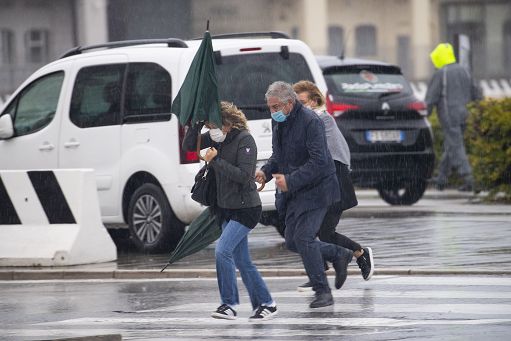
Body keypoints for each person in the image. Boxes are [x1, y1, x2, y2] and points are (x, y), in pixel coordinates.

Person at [255, 81, 353, 308]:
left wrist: (290, 180)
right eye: (270, 107)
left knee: (304, 238)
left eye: (276, 107)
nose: (272, 112)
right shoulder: (279, 122)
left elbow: (319, 162)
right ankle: (339, 254)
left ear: (289, 103)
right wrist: (266, 172)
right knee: (292, 241)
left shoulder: (311, 122)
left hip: (318, 190)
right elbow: (278, 156)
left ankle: (323, 292)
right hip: (296, 192)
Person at [183, 101, 277, 321]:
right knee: (243, 261)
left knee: (222, 251)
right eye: (209, 126)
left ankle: (229, 304)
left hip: (246, 209)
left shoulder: (245, 140)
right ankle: (266, 303)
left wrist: (215, 161)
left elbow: (244, 177)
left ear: (228, 123)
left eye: (214, 125)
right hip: (226, 209)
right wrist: (195, 126)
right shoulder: (218, 138)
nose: (211, 130)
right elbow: (189, 146)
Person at [292, 80, 374, 292]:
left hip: (335, 178)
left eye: (301, 102)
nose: (298, 106)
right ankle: (321, 270)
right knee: (314, 231)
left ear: (314, 100)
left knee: (321, 232)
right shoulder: (308, 120)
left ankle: (359, 253)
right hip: (323, 179)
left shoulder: (321, 118)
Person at [425, 43, 481, 192]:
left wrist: (426, 113)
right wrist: (478, 111)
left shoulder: (441, 73)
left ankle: (469, 178)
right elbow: (477, 92)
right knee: (452, 145)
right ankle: (441, 179)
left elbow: (431, 98)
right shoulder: (465, 71)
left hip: (449, 114)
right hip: (466, 113)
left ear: (439, 58)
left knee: (455, 145)